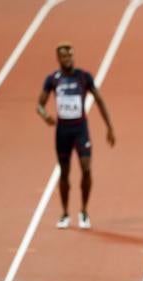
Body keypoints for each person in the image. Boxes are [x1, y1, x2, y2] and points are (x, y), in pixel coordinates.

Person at [37, 43, 115, 229]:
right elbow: (39, 104)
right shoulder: (53, 80)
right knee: (64, 172)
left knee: (86, 169)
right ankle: (65, 214)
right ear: (58, 59)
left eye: (70, 56)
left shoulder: (83, 77)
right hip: (63, 132)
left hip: (80, 130)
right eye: (64, 57)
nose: (68, 59)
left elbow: (99, 101)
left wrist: (109, 127)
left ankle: (84, 211)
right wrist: (45, 115)